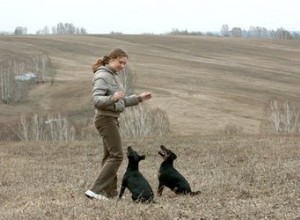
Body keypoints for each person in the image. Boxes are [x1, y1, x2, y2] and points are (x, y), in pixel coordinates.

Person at [85, 48, 152, 200]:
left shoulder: (113, 76)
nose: (123, 66)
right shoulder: (102, 76)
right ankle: (96, 190)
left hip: (110, 119)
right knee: (117, 156)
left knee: (109, 155)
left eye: (125, 64)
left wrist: (139, 98)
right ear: (112, 59)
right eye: (120, 62)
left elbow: (120, 100)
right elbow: (96, 100)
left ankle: (109, 192)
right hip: (105, 119)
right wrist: (112, 99)